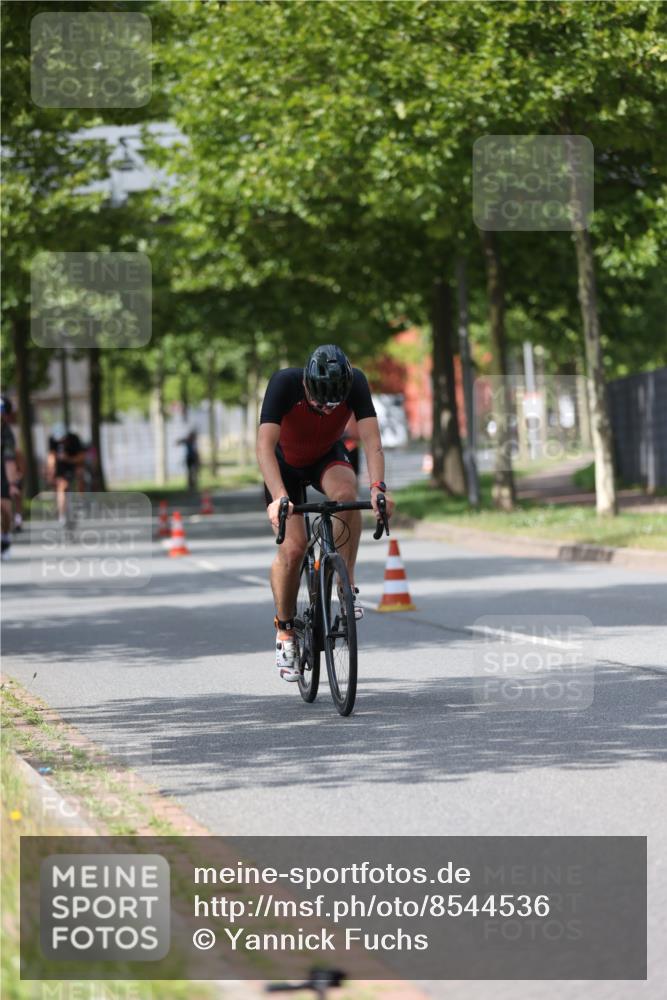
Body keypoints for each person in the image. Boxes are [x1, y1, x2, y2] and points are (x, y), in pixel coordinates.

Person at [256, 344, 395, 682]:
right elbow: (262, 446)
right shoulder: (284, 384)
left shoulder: (357, 382)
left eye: (332, 404)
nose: (323, 409)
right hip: (283, 466)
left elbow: (372, 440)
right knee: (293, 547)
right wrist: (278, 497)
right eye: (318, 401)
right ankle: (286, 631)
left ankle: (346, 586)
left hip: (324, 457)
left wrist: (378, 487)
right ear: (306, 383)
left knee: (348, 496)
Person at [46, 425, 86, 524]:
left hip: (74, 463)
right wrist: (50, 471)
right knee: (61, 487)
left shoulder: (74, 439)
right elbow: (51, 456)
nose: (60, 441)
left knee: (80, 475)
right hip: (61, 466)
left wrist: (68, 459)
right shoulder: (52, 440)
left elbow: (81, 457)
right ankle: (62, 513)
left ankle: (80, 501)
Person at [1, 396, 21, 559]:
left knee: (5, 508)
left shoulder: (7, 434)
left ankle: (5, 537)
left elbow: (9, 461)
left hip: (2, 471)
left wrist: (12, 483)